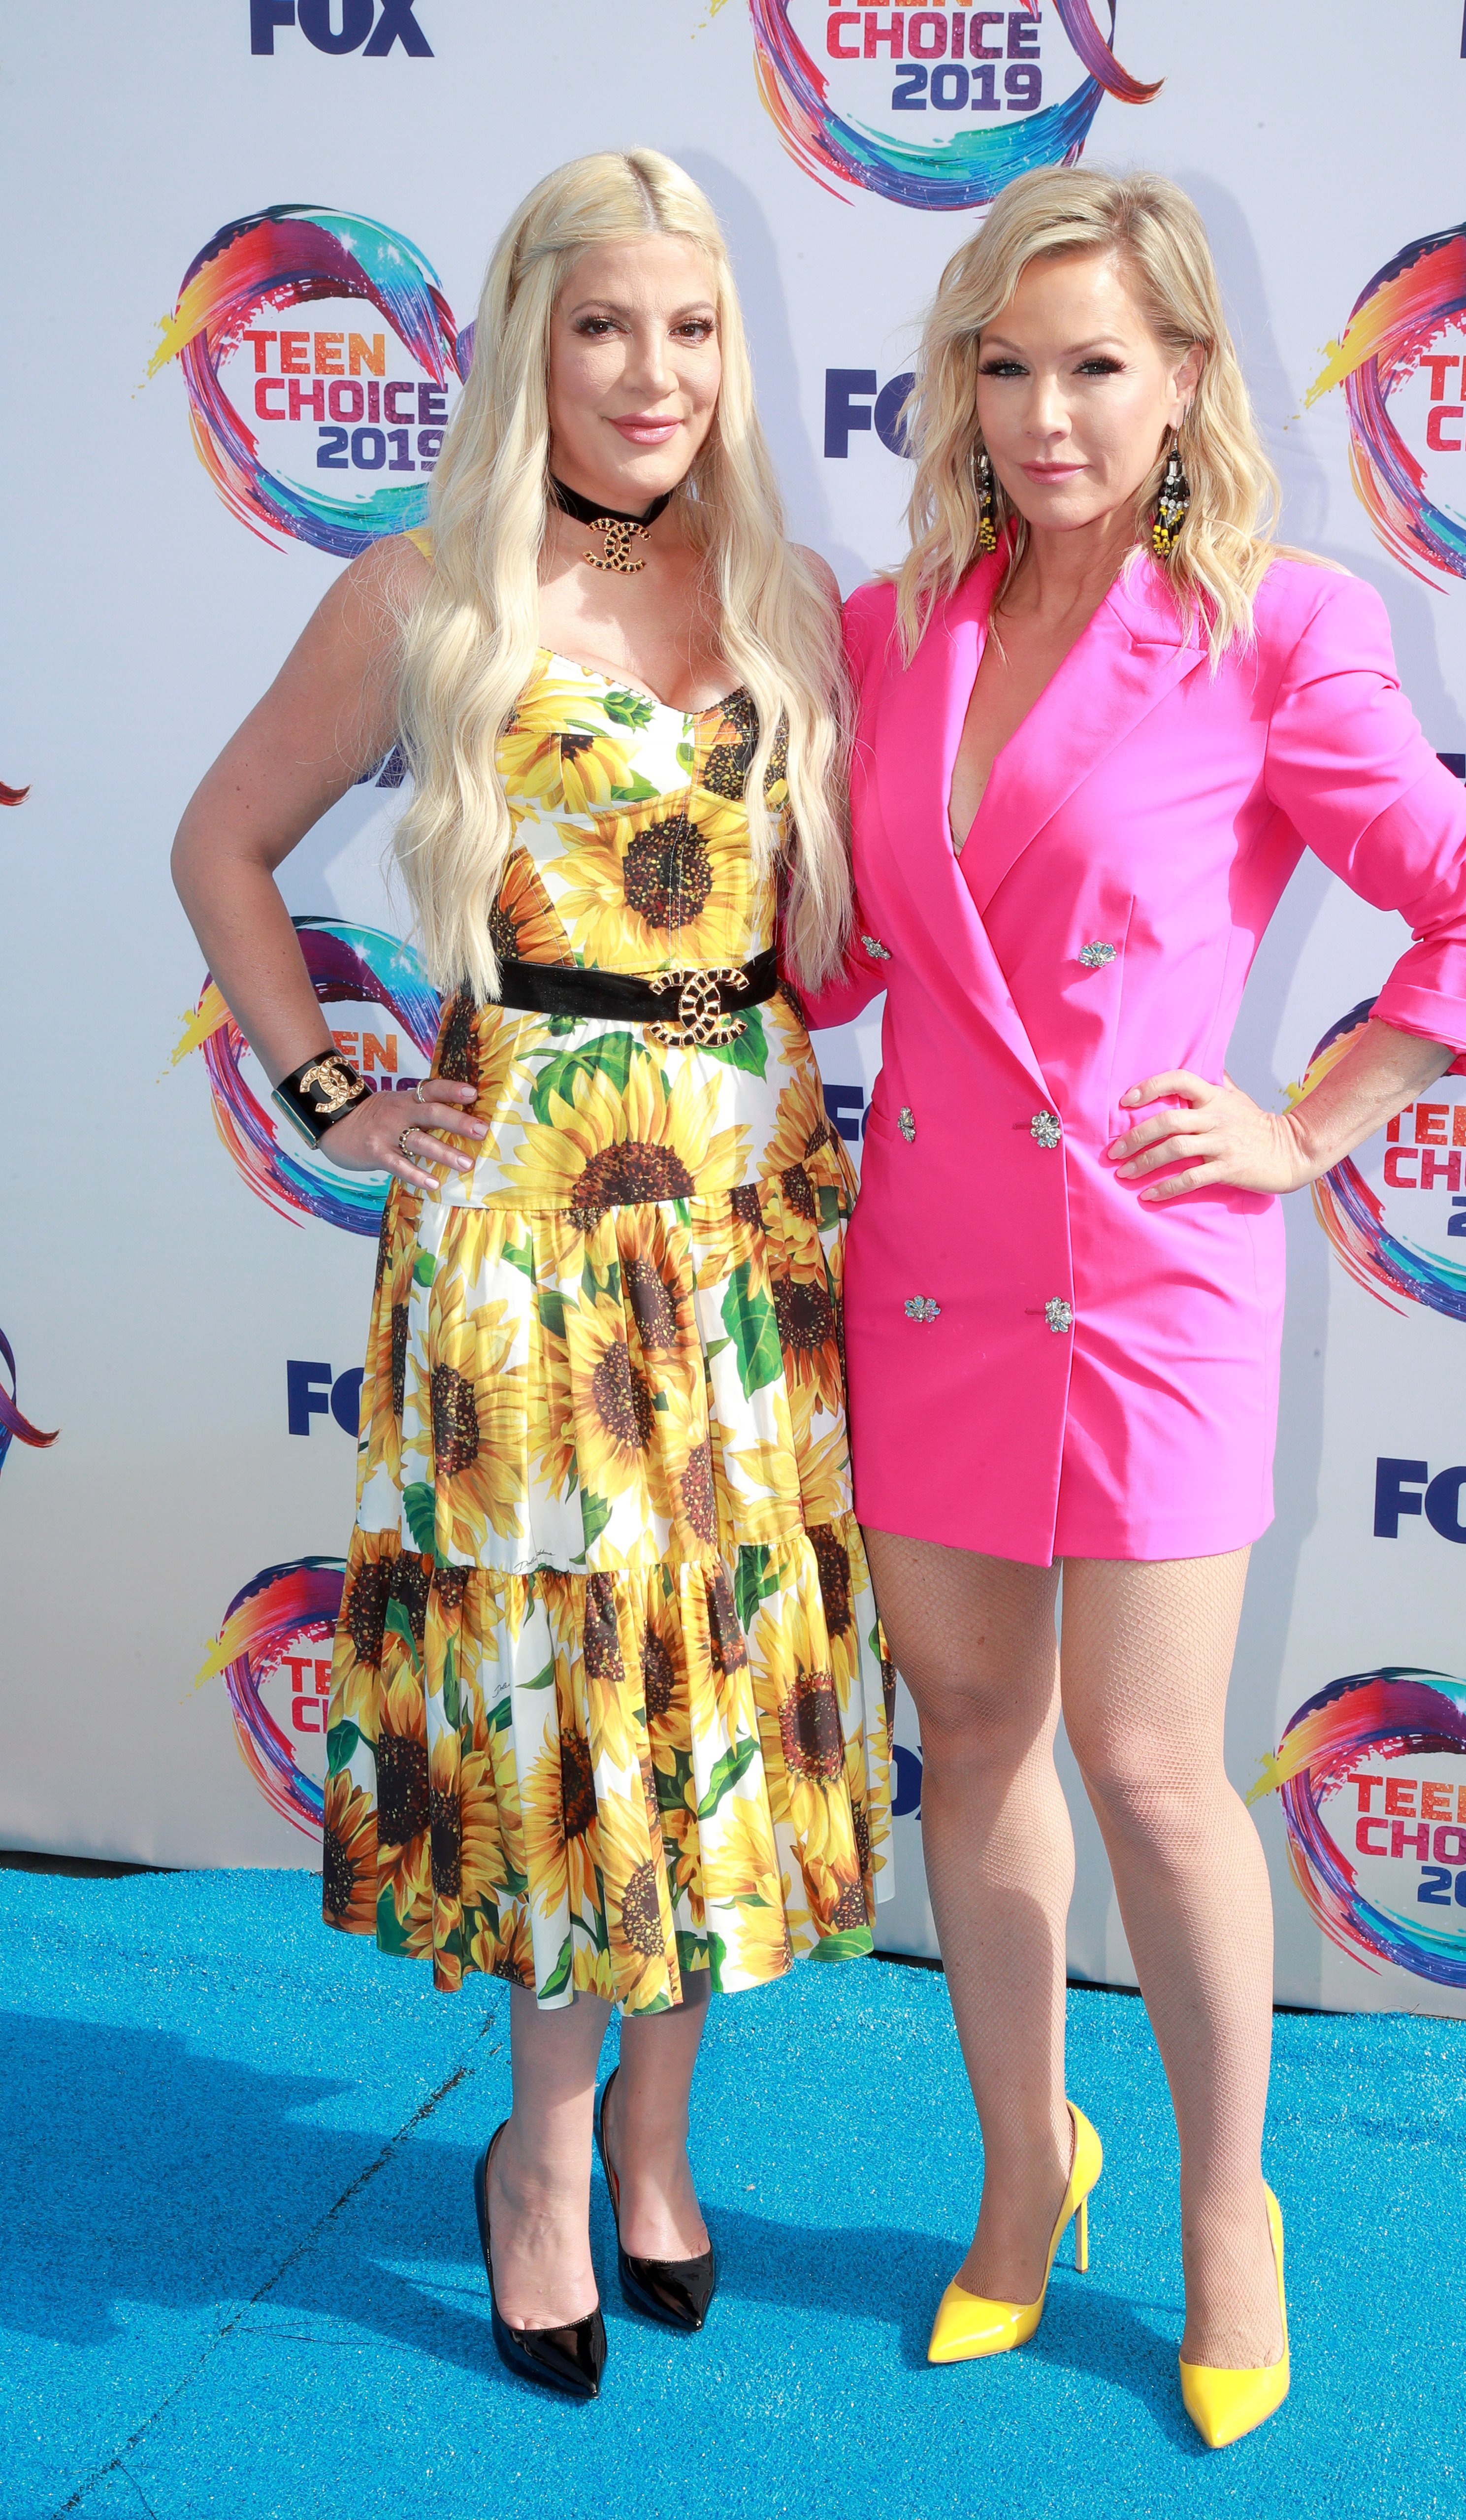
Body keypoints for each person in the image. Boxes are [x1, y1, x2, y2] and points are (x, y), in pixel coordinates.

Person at [808, 167, 1466, 2448]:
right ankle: (1028, 2162)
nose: (1045, 413)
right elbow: (835, 957)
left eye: (1096, 365)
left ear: (1188, 381)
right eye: (1003, 367)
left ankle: (1228, 2201)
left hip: (1146, 1270)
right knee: (976, 1730)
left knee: (1149, 1763)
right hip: (925, 1259)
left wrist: (1314, 1119)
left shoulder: (1277, 626)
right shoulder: (880, 627)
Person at [171, 150, 893, 2400]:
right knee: (573, 1700)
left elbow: (842, 941)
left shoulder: (791, 590)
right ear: (524, 344)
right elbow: (221, 840)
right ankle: (545, 2156)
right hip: (524, 1228)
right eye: (604, 328)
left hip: (752, 1209)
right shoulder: (424, 592)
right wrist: (324, 1089)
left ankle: (666, 2142)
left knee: (714, 1683)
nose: (652, 373)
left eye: (689, 329)